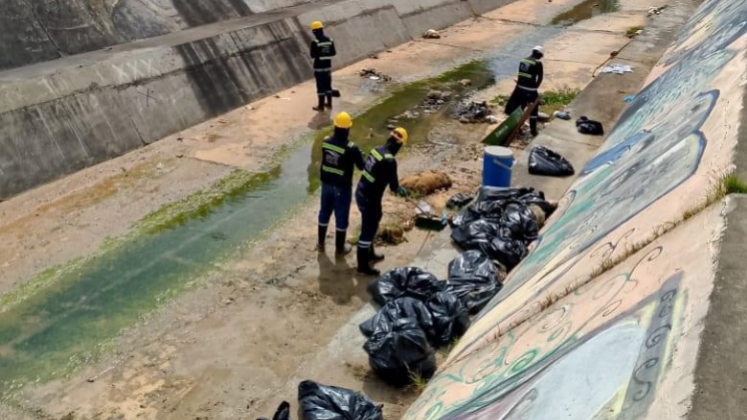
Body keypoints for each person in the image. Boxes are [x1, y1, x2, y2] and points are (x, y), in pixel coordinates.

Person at [355, 128, 410, 276]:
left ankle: (370, 254)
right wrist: (402, 191)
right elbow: (394, 188)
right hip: (369, 198)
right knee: (368, 229)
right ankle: (362, 267)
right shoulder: (390, 161)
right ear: (398, 145)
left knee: (373, 222)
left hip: (361, 192)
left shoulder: (376, 150)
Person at [317, 112, 365, 256]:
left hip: (326, 185)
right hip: (342, 188)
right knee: (341, 216)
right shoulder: (352, 148)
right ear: (348, 129)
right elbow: (362, 167)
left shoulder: (325, 141)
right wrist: (360, 155)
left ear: (335, 126)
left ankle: (320, 244)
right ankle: (339, 249)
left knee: (324, 213)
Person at [505, 46, 544, 136]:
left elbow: (520, 76)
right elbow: (540, 78)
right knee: (534, 110)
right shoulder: (538, 63)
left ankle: (515, 129)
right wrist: (535, 87)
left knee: (519, 109)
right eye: (541, 55)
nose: (541, 57)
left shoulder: (523, 60)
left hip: (520, 89)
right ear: (539, 54)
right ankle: (533, 131)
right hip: (531, 90)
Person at [309, 21, 337, 111]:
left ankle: (321, 106)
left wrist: (319, 54)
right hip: (328, 67)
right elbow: (333, 53)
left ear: (315, 31)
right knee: (328, 85)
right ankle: (329, 104)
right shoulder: (330, 40)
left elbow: (312, 55)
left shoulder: (315, 42)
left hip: (319, 68)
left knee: (320, 86)